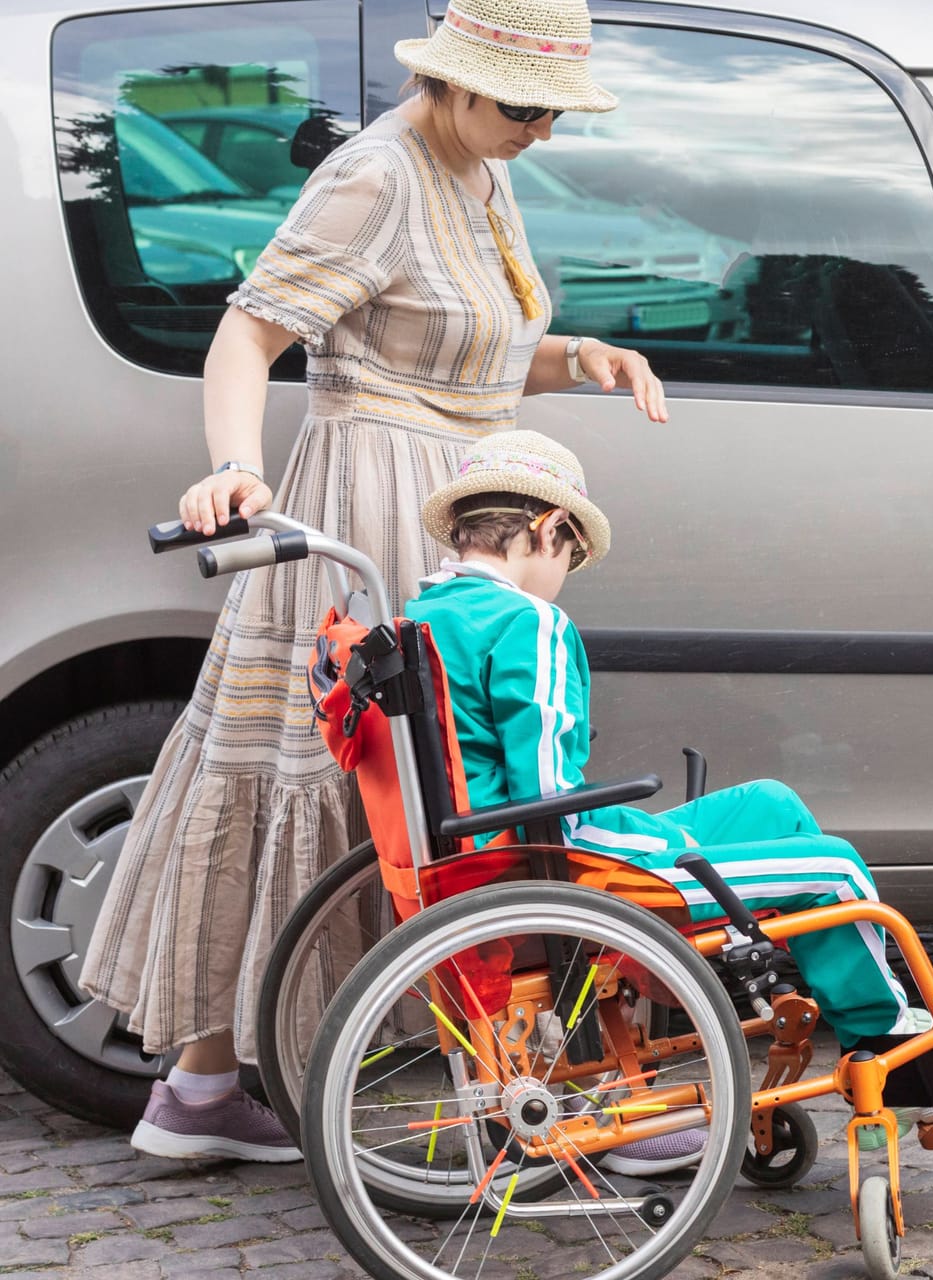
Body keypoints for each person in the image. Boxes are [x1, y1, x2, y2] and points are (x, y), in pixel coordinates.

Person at [86, 0, 667, 1164]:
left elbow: (459, 352)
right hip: (374, 493)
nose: (542, 128)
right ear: (452, 84)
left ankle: (201, 1094)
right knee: (421, 782)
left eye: (554, 108)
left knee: (396, 781)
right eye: (521, 103)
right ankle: (517, 1090)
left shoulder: (481, 170)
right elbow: (250, 333)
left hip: (459, 483)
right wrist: (238, 468)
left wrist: (577, 357)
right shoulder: (380, 172)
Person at [404, 431, 933, 1173]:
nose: (565, 573)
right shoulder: (528, 622)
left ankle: (876, 1012)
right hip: (562, 861)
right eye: (571, 554)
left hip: (489, 851)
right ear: (549, 529)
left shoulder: (424, 615)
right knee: (838, 872)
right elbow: (544, 796)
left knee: (770, 804)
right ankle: (895, 1042)